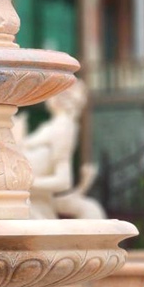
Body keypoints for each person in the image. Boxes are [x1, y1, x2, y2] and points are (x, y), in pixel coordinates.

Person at [21, 80, 106, 219]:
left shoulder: (62, 127)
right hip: (26, 204)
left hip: (33, 208)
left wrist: (23, 183)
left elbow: (63, 180)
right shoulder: (52, 126)